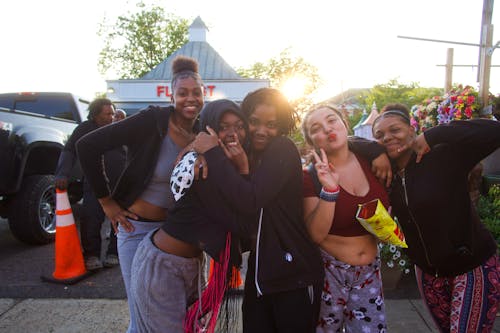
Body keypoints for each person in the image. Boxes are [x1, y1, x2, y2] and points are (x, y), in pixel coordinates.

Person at [76, 55, 204, 333]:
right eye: (182, 93)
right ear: (172, 96)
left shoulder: (203, 131)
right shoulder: (152, 120)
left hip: (175, 235)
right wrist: (107, 202)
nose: (190, 99)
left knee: (180, 315)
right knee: (143, 318)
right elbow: (87, 146)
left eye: (196, 92)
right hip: (137, 229)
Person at [193, 87, 324, 333]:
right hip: (260, 270)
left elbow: (251, 199)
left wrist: (217, 156)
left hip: (294, 272)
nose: (262, 131)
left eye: (272, 124)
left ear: (282, 126)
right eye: (254, 122)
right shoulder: (247, 153)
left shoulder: (282, 148)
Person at [372, 103, 500, 332]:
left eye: (395, 130)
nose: (388, 138)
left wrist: (435, 133)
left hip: (470, 266)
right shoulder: (386, 175)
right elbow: (348, 144)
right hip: (429, 275)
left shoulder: (443, 155)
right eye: (379, 135)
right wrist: (373, 152)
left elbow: (494, 131)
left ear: (412, 130)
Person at [130, 99, 250, 333]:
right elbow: (240, 221)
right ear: (209, 129)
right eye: (224, 126)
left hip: (191, 264)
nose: (233, 133)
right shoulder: (201, 165)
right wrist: (243, 169)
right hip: (162, 267)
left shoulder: (220, 162)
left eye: (239, 125)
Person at [301, 104, 389, 332]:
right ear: (311, 141)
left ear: (344, 124)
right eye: (316, 128)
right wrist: (329, 190)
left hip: (369, 274)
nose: (327, 129)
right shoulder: (309, 177)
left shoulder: (375, 161)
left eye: (332, 120)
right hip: (330, 274)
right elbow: (316, 234)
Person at [54, 97, 118, 270]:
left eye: (112, 113)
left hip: (118, 182)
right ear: (95, 114)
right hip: (94, 181)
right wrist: (62, 173)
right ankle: (92, 255)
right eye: (107, 114)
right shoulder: (84, 129)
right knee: (91, 217)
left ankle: (114, 253)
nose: (111, 117)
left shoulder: (117, 128)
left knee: (119, 219)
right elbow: (69, 150)